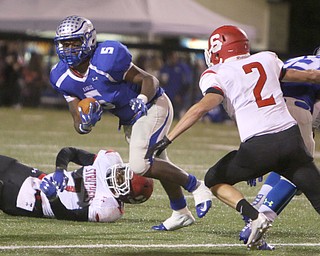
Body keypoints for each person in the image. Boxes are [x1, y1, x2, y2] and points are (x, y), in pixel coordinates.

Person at [147, 25, 320, 248]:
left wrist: (167, 139)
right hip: (291, 141)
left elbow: (201, 108)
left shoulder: (216, 73)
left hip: (257, 147)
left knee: (213, 179)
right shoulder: (267, 59)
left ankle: (255, 217)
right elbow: (312, 76)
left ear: (218, 50)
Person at [49, 15, 212, 231]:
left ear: (88, 40)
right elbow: (77, 120)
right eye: (64, 43)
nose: (69, 49)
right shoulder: (60, 76)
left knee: (140, 164)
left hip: (152, 106)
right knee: (158, 163)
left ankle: (197, 186)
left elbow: (149, 80)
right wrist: (85, 124)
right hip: (129, 119)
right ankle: (180, 211)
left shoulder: (107, 58)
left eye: (75, 42)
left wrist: (142, 99)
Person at [239, 51, 320, 250]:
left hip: (268, 109)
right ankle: (259, 221)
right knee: (299, 173)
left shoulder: (295, 60)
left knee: (285, 163)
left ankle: (256, 209)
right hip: (296, 107)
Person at [0, 146, 152, 222]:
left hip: (35, 202)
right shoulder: (110, 160)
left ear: (127, 196)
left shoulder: (109, 209)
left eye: (121, 180)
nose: (116, 176)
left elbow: (69, 216)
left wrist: (54, 198)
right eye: (121, 173)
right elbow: (70, 152)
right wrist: (60, 170)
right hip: (35, 177)